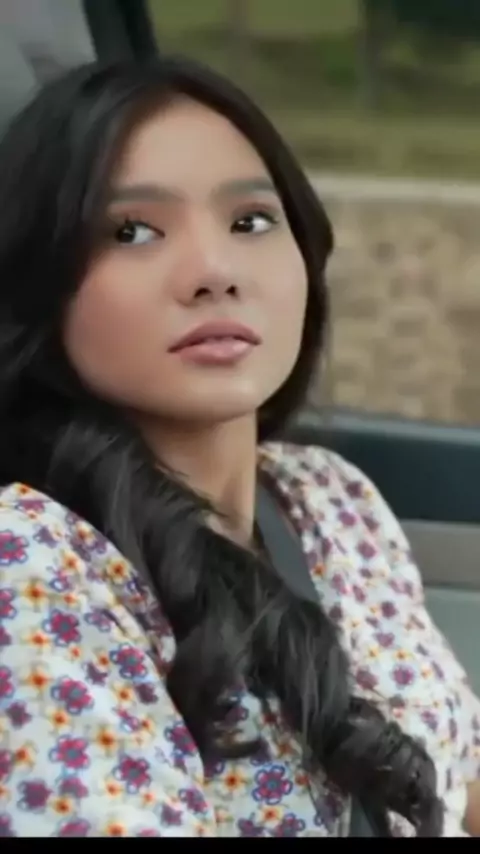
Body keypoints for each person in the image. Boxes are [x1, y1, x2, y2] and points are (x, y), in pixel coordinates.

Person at [0, 57, 478, 839]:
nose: (214, 272)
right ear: (39, 287)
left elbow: (459, 782)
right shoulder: (33, 559)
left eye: (251, 221)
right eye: (132, 231)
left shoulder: (330, 498)